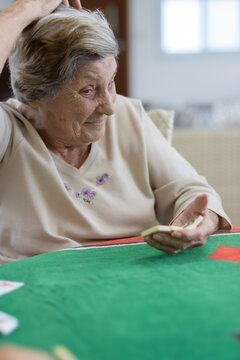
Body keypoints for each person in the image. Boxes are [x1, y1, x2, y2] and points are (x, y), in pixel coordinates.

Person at [0, 0, 231, 265]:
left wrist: (198, 221)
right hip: (37, 290)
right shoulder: (8, 131)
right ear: (35, 94)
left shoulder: (128, 115)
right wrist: (22, 10)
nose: (110, 107)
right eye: (88, 90)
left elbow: (190, 190)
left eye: (110, 83)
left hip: (130, 280)